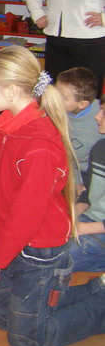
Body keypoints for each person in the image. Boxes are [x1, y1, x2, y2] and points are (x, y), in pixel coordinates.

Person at [0, 46, 105, 346]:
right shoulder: (2, 124)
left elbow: (27, 215)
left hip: (40, 249)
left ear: (11, 90)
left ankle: (99, 305)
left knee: (28, 339)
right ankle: (89, 290)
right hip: (10, 239)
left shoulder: (40, 143)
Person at [69, 96, 105, 272]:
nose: (97, 116)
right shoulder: (99, 148)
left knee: (58, 256)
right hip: (90, 219)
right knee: (41, 239)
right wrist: (71, 216)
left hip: (98, 228)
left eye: (103, 112)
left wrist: (82, 228)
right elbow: (88, 194)